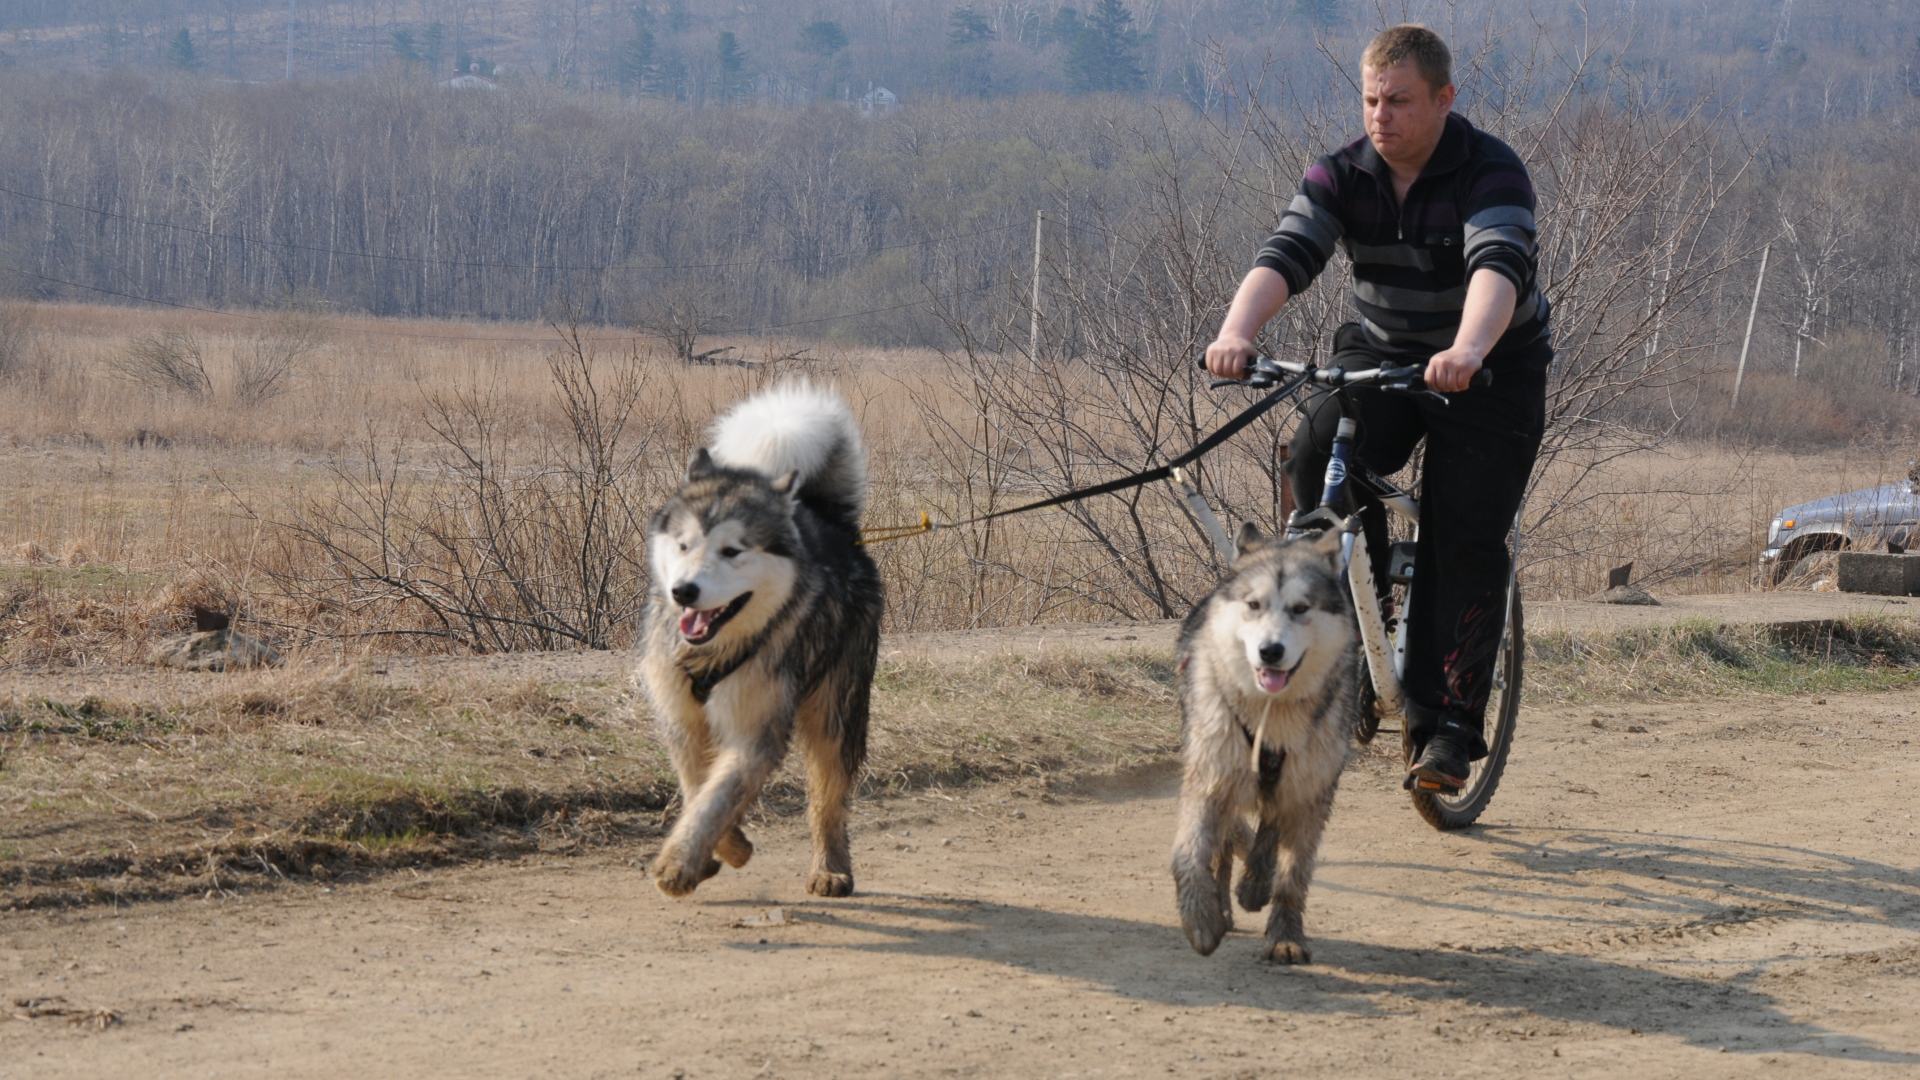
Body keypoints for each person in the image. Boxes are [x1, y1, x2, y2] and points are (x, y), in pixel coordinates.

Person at [1201, 24, 1550, 794]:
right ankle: (1361, 635)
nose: (1379, 116)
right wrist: (1236, 333)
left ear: (1444, 99)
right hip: (1384, 350)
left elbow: (1497, 265)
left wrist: (1467, 349)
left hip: (1491, 368)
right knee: (1313, 459)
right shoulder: (1342, 173)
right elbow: (1287, 252)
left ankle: (1445, 726)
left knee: (1462, 533)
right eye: (1369, 101)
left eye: (1398, 101)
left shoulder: (1490, 169)